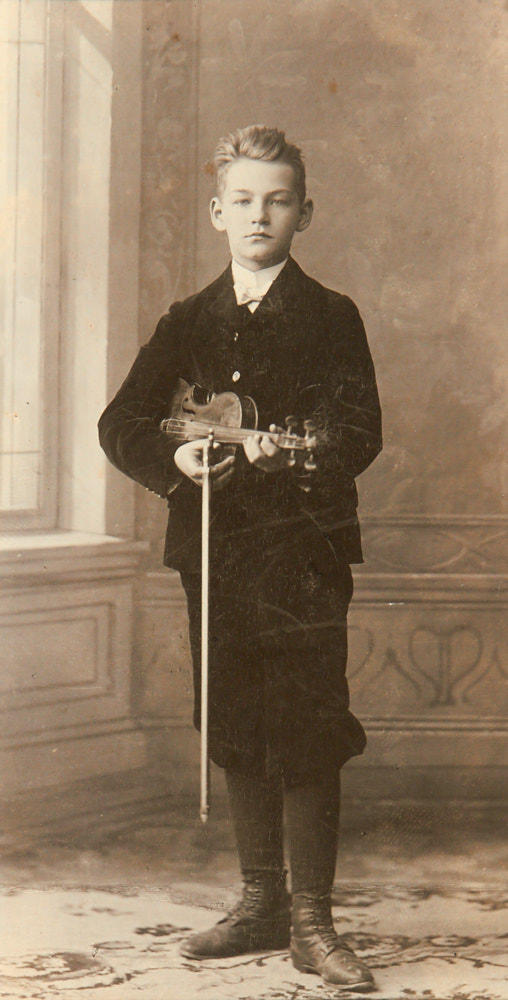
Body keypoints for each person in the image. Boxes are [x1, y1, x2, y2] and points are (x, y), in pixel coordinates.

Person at [98, 125, 382, 991]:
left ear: (305, 213)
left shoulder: (332, 316)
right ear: (219, 212)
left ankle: (312, 921)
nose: (262, 214)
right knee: (233, 722)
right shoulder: (187, 321)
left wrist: (294, 453)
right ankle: (259, 901)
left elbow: (360, 432)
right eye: (246, 200)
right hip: (215, 554)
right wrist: (177, 461)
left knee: (306, 729)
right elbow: (122, 425)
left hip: (301, 553)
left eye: (280, 200)